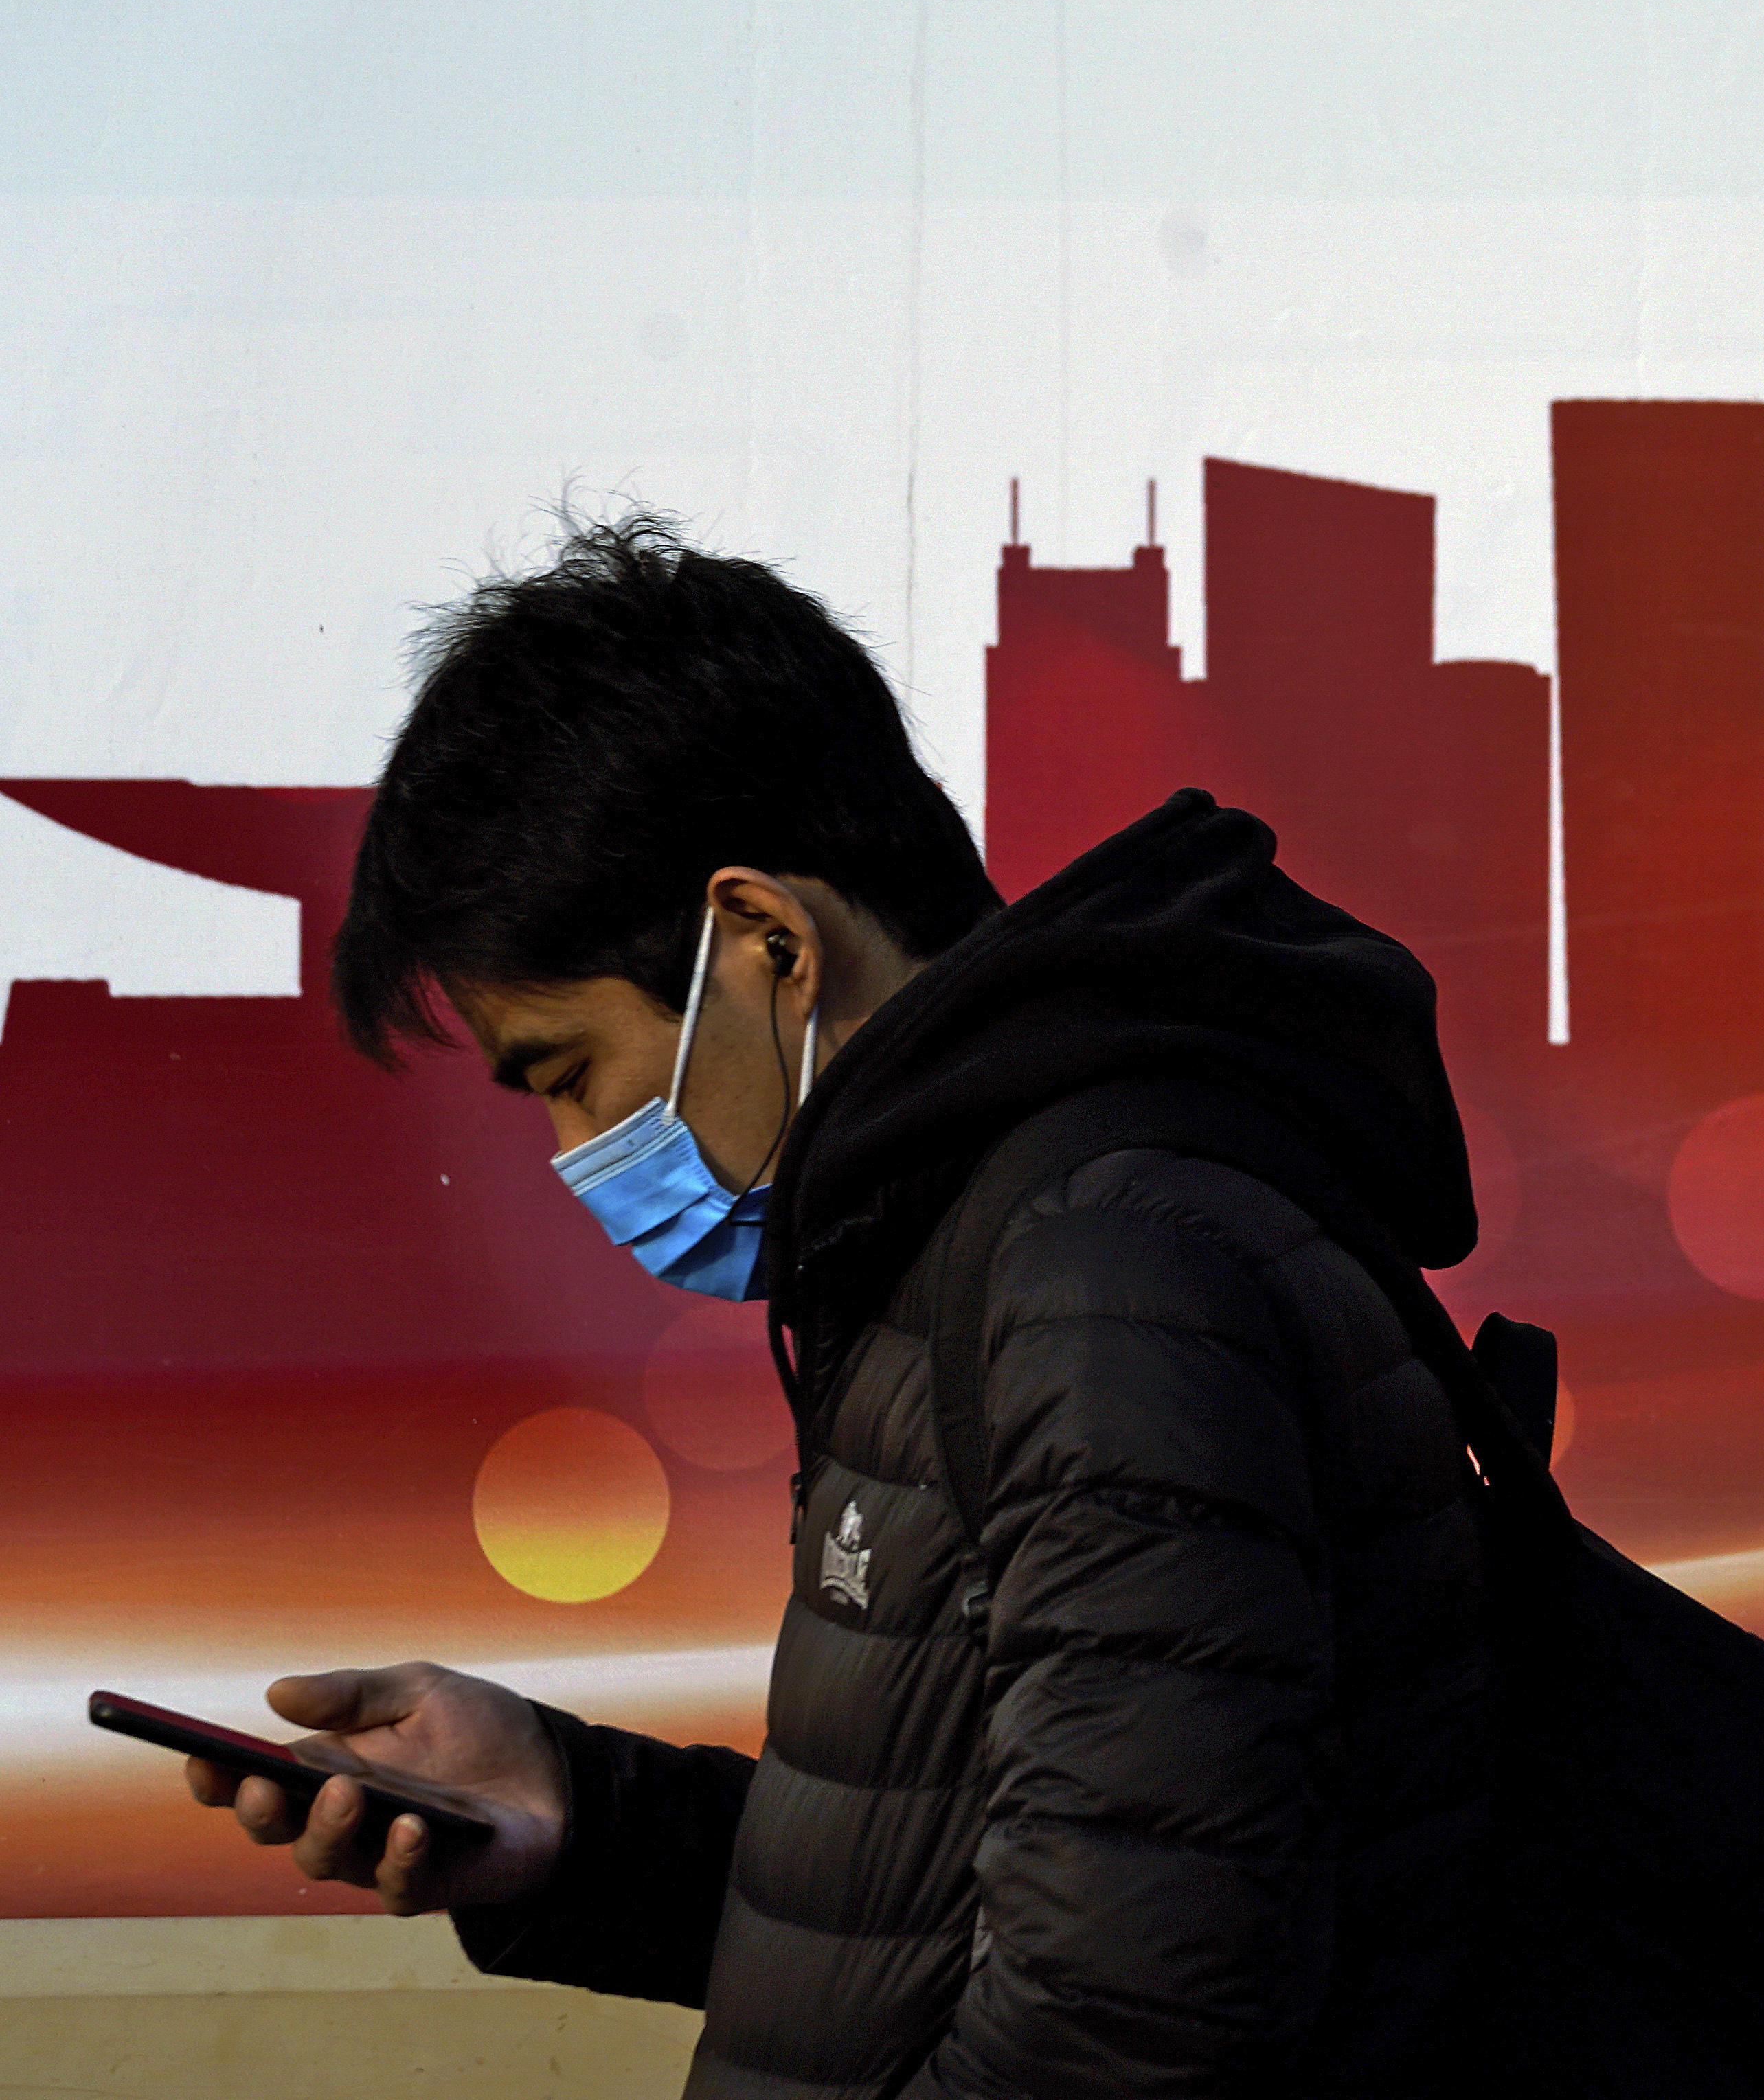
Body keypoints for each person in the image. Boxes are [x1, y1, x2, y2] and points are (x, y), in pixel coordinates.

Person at [190, 515, 1496, 2095]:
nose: (570, 1151)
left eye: (571, 1072)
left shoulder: (1097, 1278)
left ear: (768, 940)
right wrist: (574, 1816)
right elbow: (962, 1892)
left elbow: (1125, 2025)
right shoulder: (972, 1246)